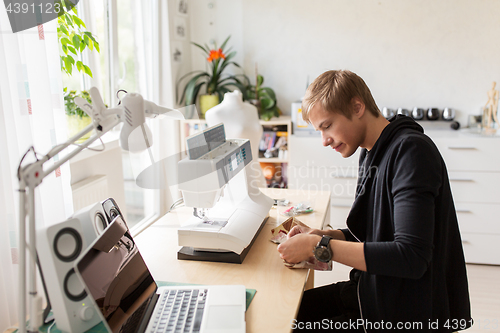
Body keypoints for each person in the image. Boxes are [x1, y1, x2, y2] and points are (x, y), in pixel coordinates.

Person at [277, 70, 472, 332]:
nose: (324, 141)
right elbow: (377, 233)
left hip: (402, 314)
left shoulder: (411, 153)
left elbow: (411, 257)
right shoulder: (372, 152)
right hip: (371, 293)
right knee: (284, 313)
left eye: (327, 126)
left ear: (357, 107)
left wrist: (319, 245)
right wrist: (326, 234)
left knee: (285, 324)